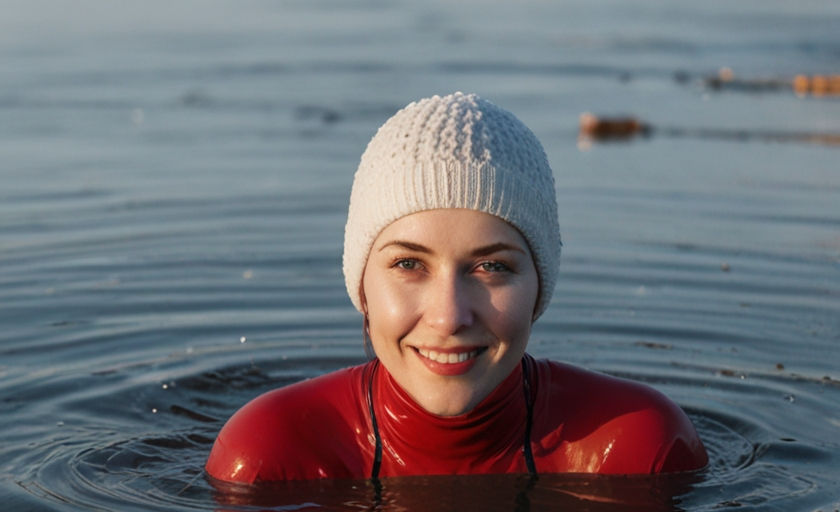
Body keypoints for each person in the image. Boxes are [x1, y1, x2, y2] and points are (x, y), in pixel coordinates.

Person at [206, 92, 707, 484]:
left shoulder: (636, 451)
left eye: (490, 266)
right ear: (361, 284)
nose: (449, 317)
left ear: (540, 285)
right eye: (408, 263)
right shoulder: (270, 457)